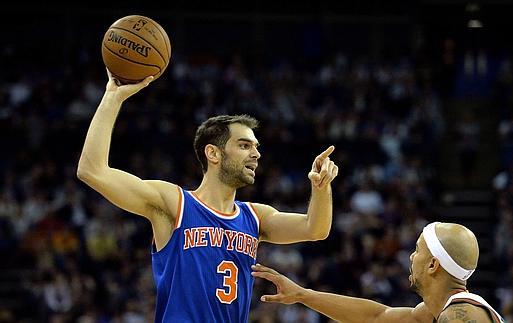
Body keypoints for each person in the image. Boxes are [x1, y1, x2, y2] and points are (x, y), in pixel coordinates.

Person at [76, 71, 339, 322]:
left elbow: (315, 229)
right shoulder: (175, 203)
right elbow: (92, 171)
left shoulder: (256, 216)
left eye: (256, 147)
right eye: (244, 145)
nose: (256, 154)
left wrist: (321, 188)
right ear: (213, 153)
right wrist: (113, 96)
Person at [252, 222, 506, 323]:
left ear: (432, 265)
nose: (411, 257)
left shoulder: (461, 316)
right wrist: (302, 295)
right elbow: (376, 316)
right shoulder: (434, 313)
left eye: (417, 250)